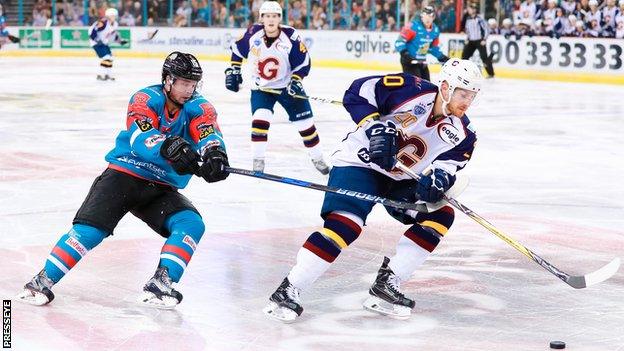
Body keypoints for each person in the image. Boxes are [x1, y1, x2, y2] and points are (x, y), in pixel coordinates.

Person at [263, 58, 483, 322]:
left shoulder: (464, 134)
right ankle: (290, 288)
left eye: (472, 96)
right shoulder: (409, 89)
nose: (467, 102)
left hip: (401, 181)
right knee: (345, 226)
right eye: (462, 94)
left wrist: (437, 182)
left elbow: (448, 167)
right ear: (445, 88)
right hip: (359, 164)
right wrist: (376, 126)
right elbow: (357, 91)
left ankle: (389, 282)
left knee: (441, 215)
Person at [17, 52, 230, 309]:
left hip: (160, 187)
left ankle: (161, 282)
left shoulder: (199, 106)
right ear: (168, 80)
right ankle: (41, 282)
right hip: (124, 175)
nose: (189, 89)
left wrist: (214, 155)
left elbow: (207, 131)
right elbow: (140, 136)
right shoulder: (145, 98)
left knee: (191, 224)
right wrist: (169, 147)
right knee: (89, 231)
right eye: (184, 83)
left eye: (193, 84)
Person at [225, 1, 329, 174]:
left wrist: (296, 80)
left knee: (306, 126)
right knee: (260, 120)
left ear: (279, 18)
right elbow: (237, 50)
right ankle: (258, 160)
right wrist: (234, 70)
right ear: (262, 18)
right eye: (267, 16)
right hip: (262, 89)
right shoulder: (253, 33)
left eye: (274, 16)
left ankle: (318, 159)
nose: (271, 20)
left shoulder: (291, 35)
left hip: (287, 87)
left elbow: (303, 61)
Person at [395, 5, 450, 81]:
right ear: (422, 17)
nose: (427, 19)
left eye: (430, 16)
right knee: (416, 85)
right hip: (410, 62)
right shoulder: (413, 26)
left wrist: (441, 57)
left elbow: (432, 47)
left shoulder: (435, 30)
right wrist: (405, 53)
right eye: (425, 16)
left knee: (428, 85)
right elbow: (399, 42)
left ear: (433, 17)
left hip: (422, 62)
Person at [88, 8, 128, 81]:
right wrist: (96, 39)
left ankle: (107, 75)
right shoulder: (103, 22)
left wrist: (120, 41)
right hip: (96, 43)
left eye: (115, 16)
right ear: (108, 16)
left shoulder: (115, 24)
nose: (114, 17)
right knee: (106, 57)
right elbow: (92, 31)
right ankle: (100, 74)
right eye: (112, 16)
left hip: (104, 42)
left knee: (110, 58)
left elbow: (113, 35)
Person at [461, 3, 495, 78]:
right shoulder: (468, 19)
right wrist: (467, 38)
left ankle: (491, 73)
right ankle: (463, 72)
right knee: (464, 56)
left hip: (480, 41)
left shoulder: (479, 19)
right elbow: (468, 30)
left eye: (470, 9)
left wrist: (484, 39)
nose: (468, 10)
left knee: (484, 58)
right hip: (471, 41)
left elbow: (486, 29)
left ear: (474, 10)